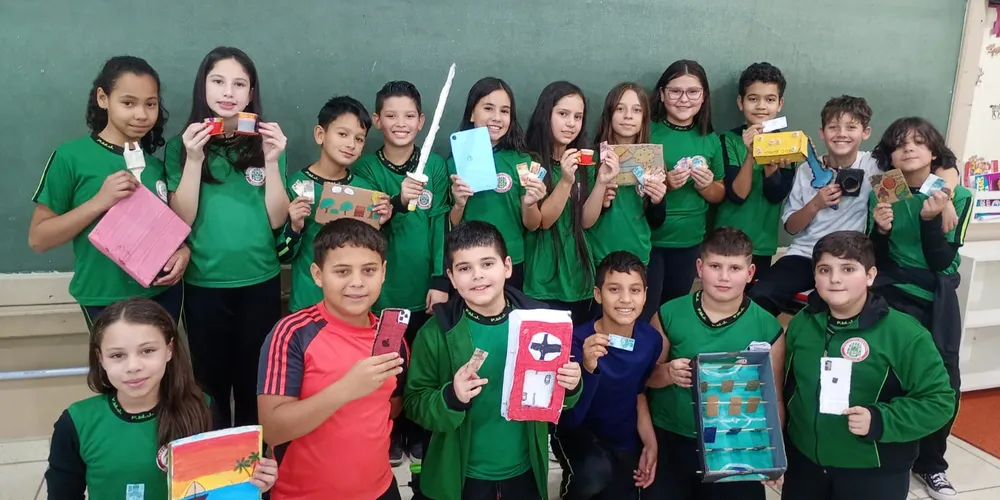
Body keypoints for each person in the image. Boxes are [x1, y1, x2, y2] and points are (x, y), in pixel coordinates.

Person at [404, 221, 583, 500]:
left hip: (523, 469)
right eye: (464, 268)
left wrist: (571, 385)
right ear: (451, 277)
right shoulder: (436, 332)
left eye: (487, 264)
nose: (477, 276)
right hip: (462, 475)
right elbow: (414, 403)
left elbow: (558, 398)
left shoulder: (540, 322)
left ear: (507, 266)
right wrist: (451, 397)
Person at [165, 46, 289, 427]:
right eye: (218, 81)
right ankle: (220, 469)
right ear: (203, 86)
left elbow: (276, 218)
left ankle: (255, 468)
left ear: (251, 94)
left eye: (239, 84)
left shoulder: (268, 143)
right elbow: (180, 219)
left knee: (256, 380)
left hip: (261, 279)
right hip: (204, 281)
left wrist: (271, 161)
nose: (228, 92)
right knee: (211, 382)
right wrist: (195, 159)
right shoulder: (182, 146)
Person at [45, 298, 278, 500]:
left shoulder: (202, 408)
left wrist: (255, 483)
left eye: (147, 351)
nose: (133, 366)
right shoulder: (76, 422)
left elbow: (222, 489)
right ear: (101, 359)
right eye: (117, 355)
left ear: (169, 350)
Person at [781, 231, 955, 500]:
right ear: (814, 276)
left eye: (848, 269)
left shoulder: (905, 334)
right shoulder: (802, 323)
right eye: (824, 269)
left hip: (873, 470)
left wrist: (881, 419)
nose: (835, 279)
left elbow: (940, 401)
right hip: (805, 465)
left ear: (871, 275)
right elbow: (789, 386)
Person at [28, 56, 188, 327]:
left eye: (150, 104)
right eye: (128, 103)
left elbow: (165, 230)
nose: (141, 114)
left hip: (162, 293)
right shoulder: (71, 157)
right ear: (103, 98)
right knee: (115, 370)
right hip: (104, 298)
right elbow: (39, 239)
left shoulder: (156, 166)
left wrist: (183, 250)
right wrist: (98, 202)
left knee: (166, 369)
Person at [257, 219, 408, 500]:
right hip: (301, 494)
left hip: (380, 488)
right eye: (342, 271)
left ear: (384, 273)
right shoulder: (293, 334)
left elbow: (391, 408)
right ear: (317, 274)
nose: (357, 282)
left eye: (369, 270)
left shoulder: (391, 338)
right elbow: (273, 430)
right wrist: (346, 389)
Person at [868, 118, 973, 499]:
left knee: (944, 379)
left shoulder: (956, 195)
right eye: (899, 144)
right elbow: (876, 258)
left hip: (936, 294)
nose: (908, 149)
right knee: (887, 372)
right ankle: (887, 448)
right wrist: (879, 231)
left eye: (918, 142)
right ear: (889, 154)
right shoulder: (885, 189)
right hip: (891, 289)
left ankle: (932, 464)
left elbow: (943, 262)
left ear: (934, 151)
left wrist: (931, 221)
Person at [645, 227, 785, 500]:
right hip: (673, 437)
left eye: (734, 268)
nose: (723, 277)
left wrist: (771, 453)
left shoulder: (767, 326)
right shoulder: (669, 313)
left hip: (736, 443)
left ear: (750, 272)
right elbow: (645, 378)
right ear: (699, 267)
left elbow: (774, 398)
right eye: (715, 266)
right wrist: (668, 373)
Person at [352, 81, 451, 467]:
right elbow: (365, 228)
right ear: (376, 120)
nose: (400, 123)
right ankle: (390, 432)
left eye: (409, 115)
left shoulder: (436, 166)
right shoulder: (365, 167)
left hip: (425, 291)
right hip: (384, 293)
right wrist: (397, 202)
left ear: (422, 121)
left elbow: (440, 225)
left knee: (422, 366)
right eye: (390, 115)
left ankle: (417, 429)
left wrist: (440, 280)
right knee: (387, 366)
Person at [749, 96, 878, 316]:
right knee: (760, 295)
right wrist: (816, 204)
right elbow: (791, 227)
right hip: (806, 255)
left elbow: (923, 163)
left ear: (865, 132)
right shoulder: (806, 170)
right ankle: (767, 346)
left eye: (851, 127)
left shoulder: (873, 165)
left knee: (831, 305)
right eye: (833, 127)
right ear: (821, 132)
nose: (841, 134)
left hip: (850, 258)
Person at [552, 251, 662, 499]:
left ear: (645, 295)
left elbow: (639, 393)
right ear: (598, 294)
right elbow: (567, 418)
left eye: (635, 290)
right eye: (614, 289)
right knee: (593, 475)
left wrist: (650, 443)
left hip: (622, 436)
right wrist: (587, 368)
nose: (625, 299)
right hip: (579, 433)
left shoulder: (650, 340)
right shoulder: (576, 340)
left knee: (639, 486)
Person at [277, 95, 391, 313]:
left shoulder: (366, 190)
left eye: (359, 139)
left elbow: (371, 251)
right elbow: (283, 255)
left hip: (354, 303)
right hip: (308, 304)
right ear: (320, 135)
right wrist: (295, 227)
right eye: (342, 134)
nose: (351, 144)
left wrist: (381, 222)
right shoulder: (296, 186)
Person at [523, 81, 615, 326]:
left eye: (578, 116)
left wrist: (601, 183)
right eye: (563, 114)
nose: (571, 123)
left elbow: (586, 220)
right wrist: (565, 180)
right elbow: (543, 222)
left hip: (579, 275)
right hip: (542, 277)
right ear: (546, 114)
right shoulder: (529, 161)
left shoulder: (586, 161)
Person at [448, 78, 547, 290]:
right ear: (472, 114)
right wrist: (459, 204)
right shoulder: (453, 163)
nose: (497, 117)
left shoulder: (522, 161)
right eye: (488, 108)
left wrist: (530, 204)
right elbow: (452, 225)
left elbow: (532, 224)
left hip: (511, 260)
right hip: (469, 262)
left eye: (504, 111)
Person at [647, 60, 725, 307]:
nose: (684, 99)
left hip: (690, 240)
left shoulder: (710, 140)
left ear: (704, 97)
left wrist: (706, 186)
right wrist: (664, 183)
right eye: (675, 91)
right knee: (645, 309)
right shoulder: (646, 132)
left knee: (674, 309)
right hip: (649, 240)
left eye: (693, 92)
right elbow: (629, 186)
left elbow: (719, 194)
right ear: (661, 94)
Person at [587, 82, 667, 321]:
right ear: (609, 113)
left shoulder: (653, 160)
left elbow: (656, 221)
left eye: (636, 110)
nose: (628, 117)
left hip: (639, 255)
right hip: (599, 258)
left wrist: (657, 200)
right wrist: (601, 201)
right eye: (620, 109)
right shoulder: (591, 159)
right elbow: (582, 219)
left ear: (644, 117)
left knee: (634, 325)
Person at [714, 62, 796, 276]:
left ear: (780, 104)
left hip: (762, 242)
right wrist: (751, 153)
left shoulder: (788, 143)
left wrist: (770, 162)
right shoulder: (728, 140)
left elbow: (776, 194)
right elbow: (737, 194)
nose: (761, 106)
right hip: (726, 239)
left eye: (769, 99)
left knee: (753, 300)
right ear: (741, 102)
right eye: (753, 99)